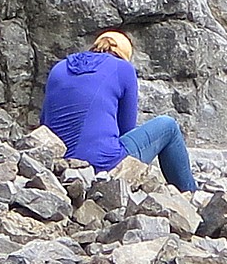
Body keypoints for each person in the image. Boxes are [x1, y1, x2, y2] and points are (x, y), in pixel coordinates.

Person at [39, 30, 197, 192]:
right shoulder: (123, 68)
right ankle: (190, 193)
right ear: (124, 55)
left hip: (59, 167)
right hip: (102, 165)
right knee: (168, 125)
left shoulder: (58, 68)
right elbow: (126, 129)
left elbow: (45, 123)